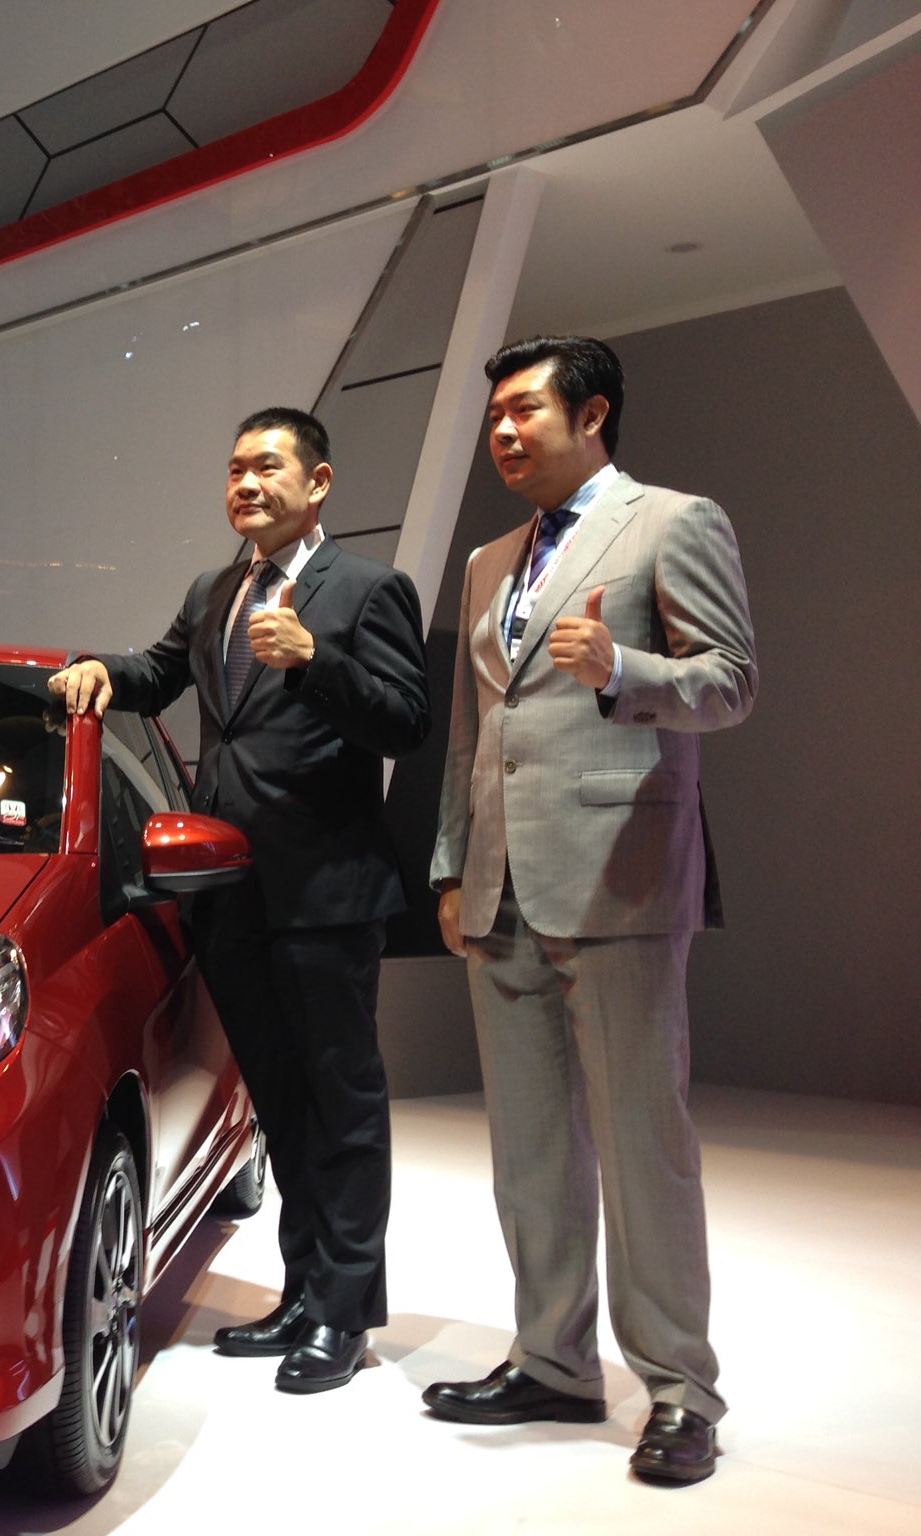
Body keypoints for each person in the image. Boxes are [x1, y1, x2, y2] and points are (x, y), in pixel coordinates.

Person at [425, 336, 757, 1484]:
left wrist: (622, 668)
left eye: (523, 410)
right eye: (493, 417)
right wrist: (451, 866)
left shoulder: (671, 522)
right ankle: (551, 1363)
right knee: (528, 1152)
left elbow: (729, 682)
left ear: (592, 413)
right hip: (503, 883)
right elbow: (472, 732)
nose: (503, 432)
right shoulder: (488, 561)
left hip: (619, 874)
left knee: (640, 1150)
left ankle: (679, 1390)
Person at [50, 407, 429, 1392]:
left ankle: (343, 1314)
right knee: (278, 1102)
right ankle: (304, 1291)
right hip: (227, 892)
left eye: (266, 466)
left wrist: (316, 659)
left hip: (326, 893)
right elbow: (157, 671)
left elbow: (404, 722)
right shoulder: (212, 590)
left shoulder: (367, 589)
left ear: (318, 483)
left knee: (342, 1104)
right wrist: (100, 670)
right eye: (234, 469)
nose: (246, 484)